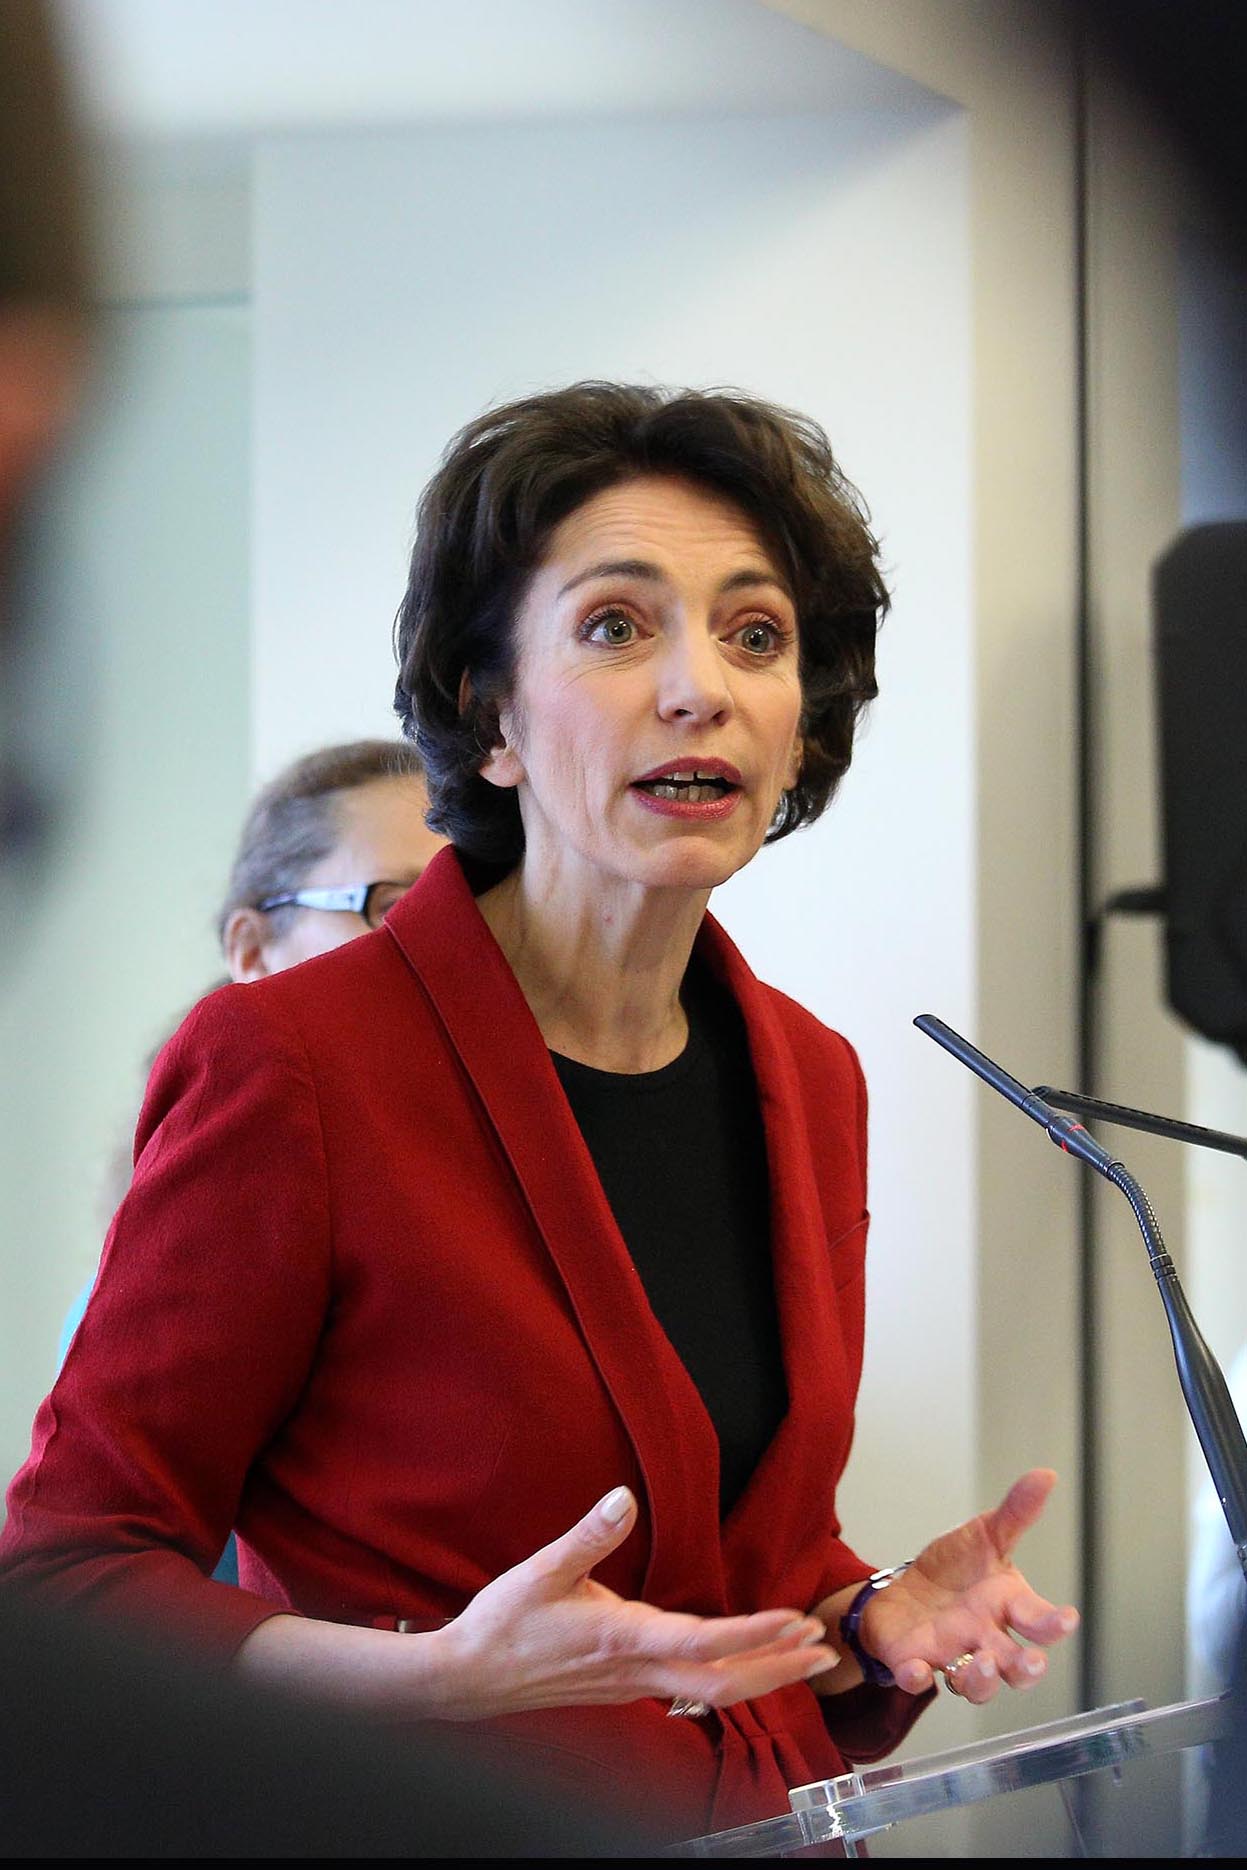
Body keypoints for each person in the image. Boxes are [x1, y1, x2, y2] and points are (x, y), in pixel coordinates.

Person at [0, 378, 1080, 1846]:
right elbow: (71, 1574)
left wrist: (866, 1618)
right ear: (488, 712)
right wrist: (440, 1675)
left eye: (756, 635)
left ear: (799, 724)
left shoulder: (810, 1073)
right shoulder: (293, 1061)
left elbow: (731, 1561)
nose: (698, 687)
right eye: (617, 628)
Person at [0, 3, 638, 1855]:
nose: (445, 960)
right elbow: (115, 1603)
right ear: (248, 943)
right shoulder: (220, 1181)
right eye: (383, 912)